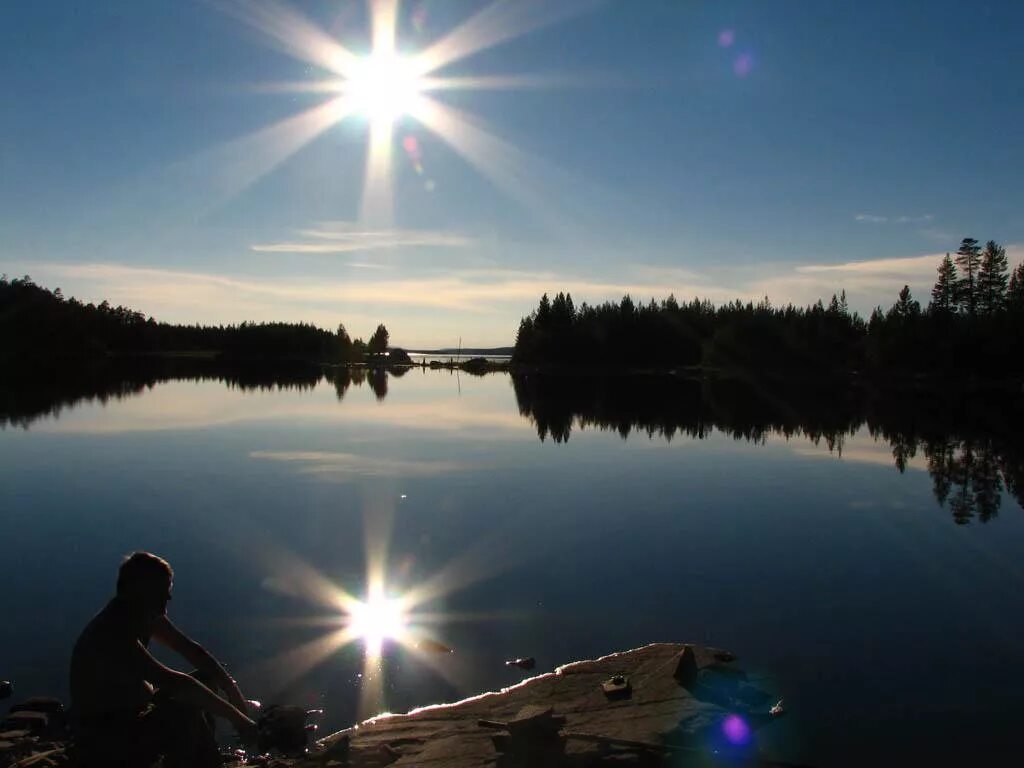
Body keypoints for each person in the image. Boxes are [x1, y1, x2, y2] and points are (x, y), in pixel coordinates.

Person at [70, 551, 257, 767]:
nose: (169, 597)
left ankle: (204, 756)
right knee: (184, 711)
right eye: (163, 589)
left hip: (133, 717)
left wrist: (232, 691)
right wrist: (240, 720)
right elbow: (175, 683)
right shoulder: (112, 630)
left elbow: (191, 650)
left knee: (205, 681)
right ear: (141, 590)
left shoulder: (142, 614)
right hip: (107, 736)